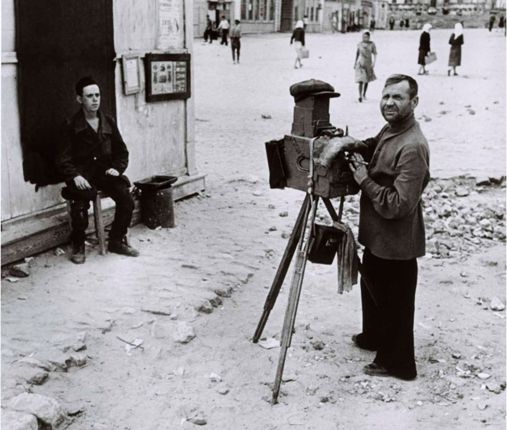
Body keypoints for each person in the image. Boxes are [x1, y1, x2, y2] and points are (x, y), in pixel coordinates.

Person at [343, 74, 430, 381]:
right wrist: (352, 144)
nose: (389, 103)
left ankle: (399, 363)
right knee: (374, 288)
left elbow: (399, 204)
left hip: (397, 242)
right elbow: (374, 145)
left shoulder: (413, 146)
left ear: (414, 102)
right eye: (386, 96)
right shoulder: (392, 129)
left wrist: (363, 180)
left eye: (398, 98)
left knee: (396, 302)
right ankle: (374, 338)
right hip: (379, 237)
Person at [56, 77, 139, 264]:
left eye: (97, 95)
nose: (95, 100)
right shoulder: (70, 124)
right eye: (89, 96)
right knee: (79, 203)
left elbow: (121, 152)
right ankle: (78, 243)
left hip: (104, 173)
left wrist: (117, 169)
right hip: (82, 174)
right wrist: (74, 176)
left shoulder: (108, 121)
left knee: (126, 199)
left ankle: (116, 240)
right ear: (80, 99)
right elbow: (63, 158)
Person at [354, 30, 377, 102]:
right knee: (360, 80)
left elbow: (375, 53)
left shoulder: (372, 44)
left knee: (367, 80)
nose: (365, 38)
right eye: (364, 37)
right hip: (360, 63)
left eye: (367, 37)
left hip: (368, 63)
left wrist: (374, 62)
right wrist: (355, 63)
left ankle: (364, 94)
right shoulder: (359, 44)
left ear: (369, 37)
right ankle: (360, 96)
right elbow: (357, 54)